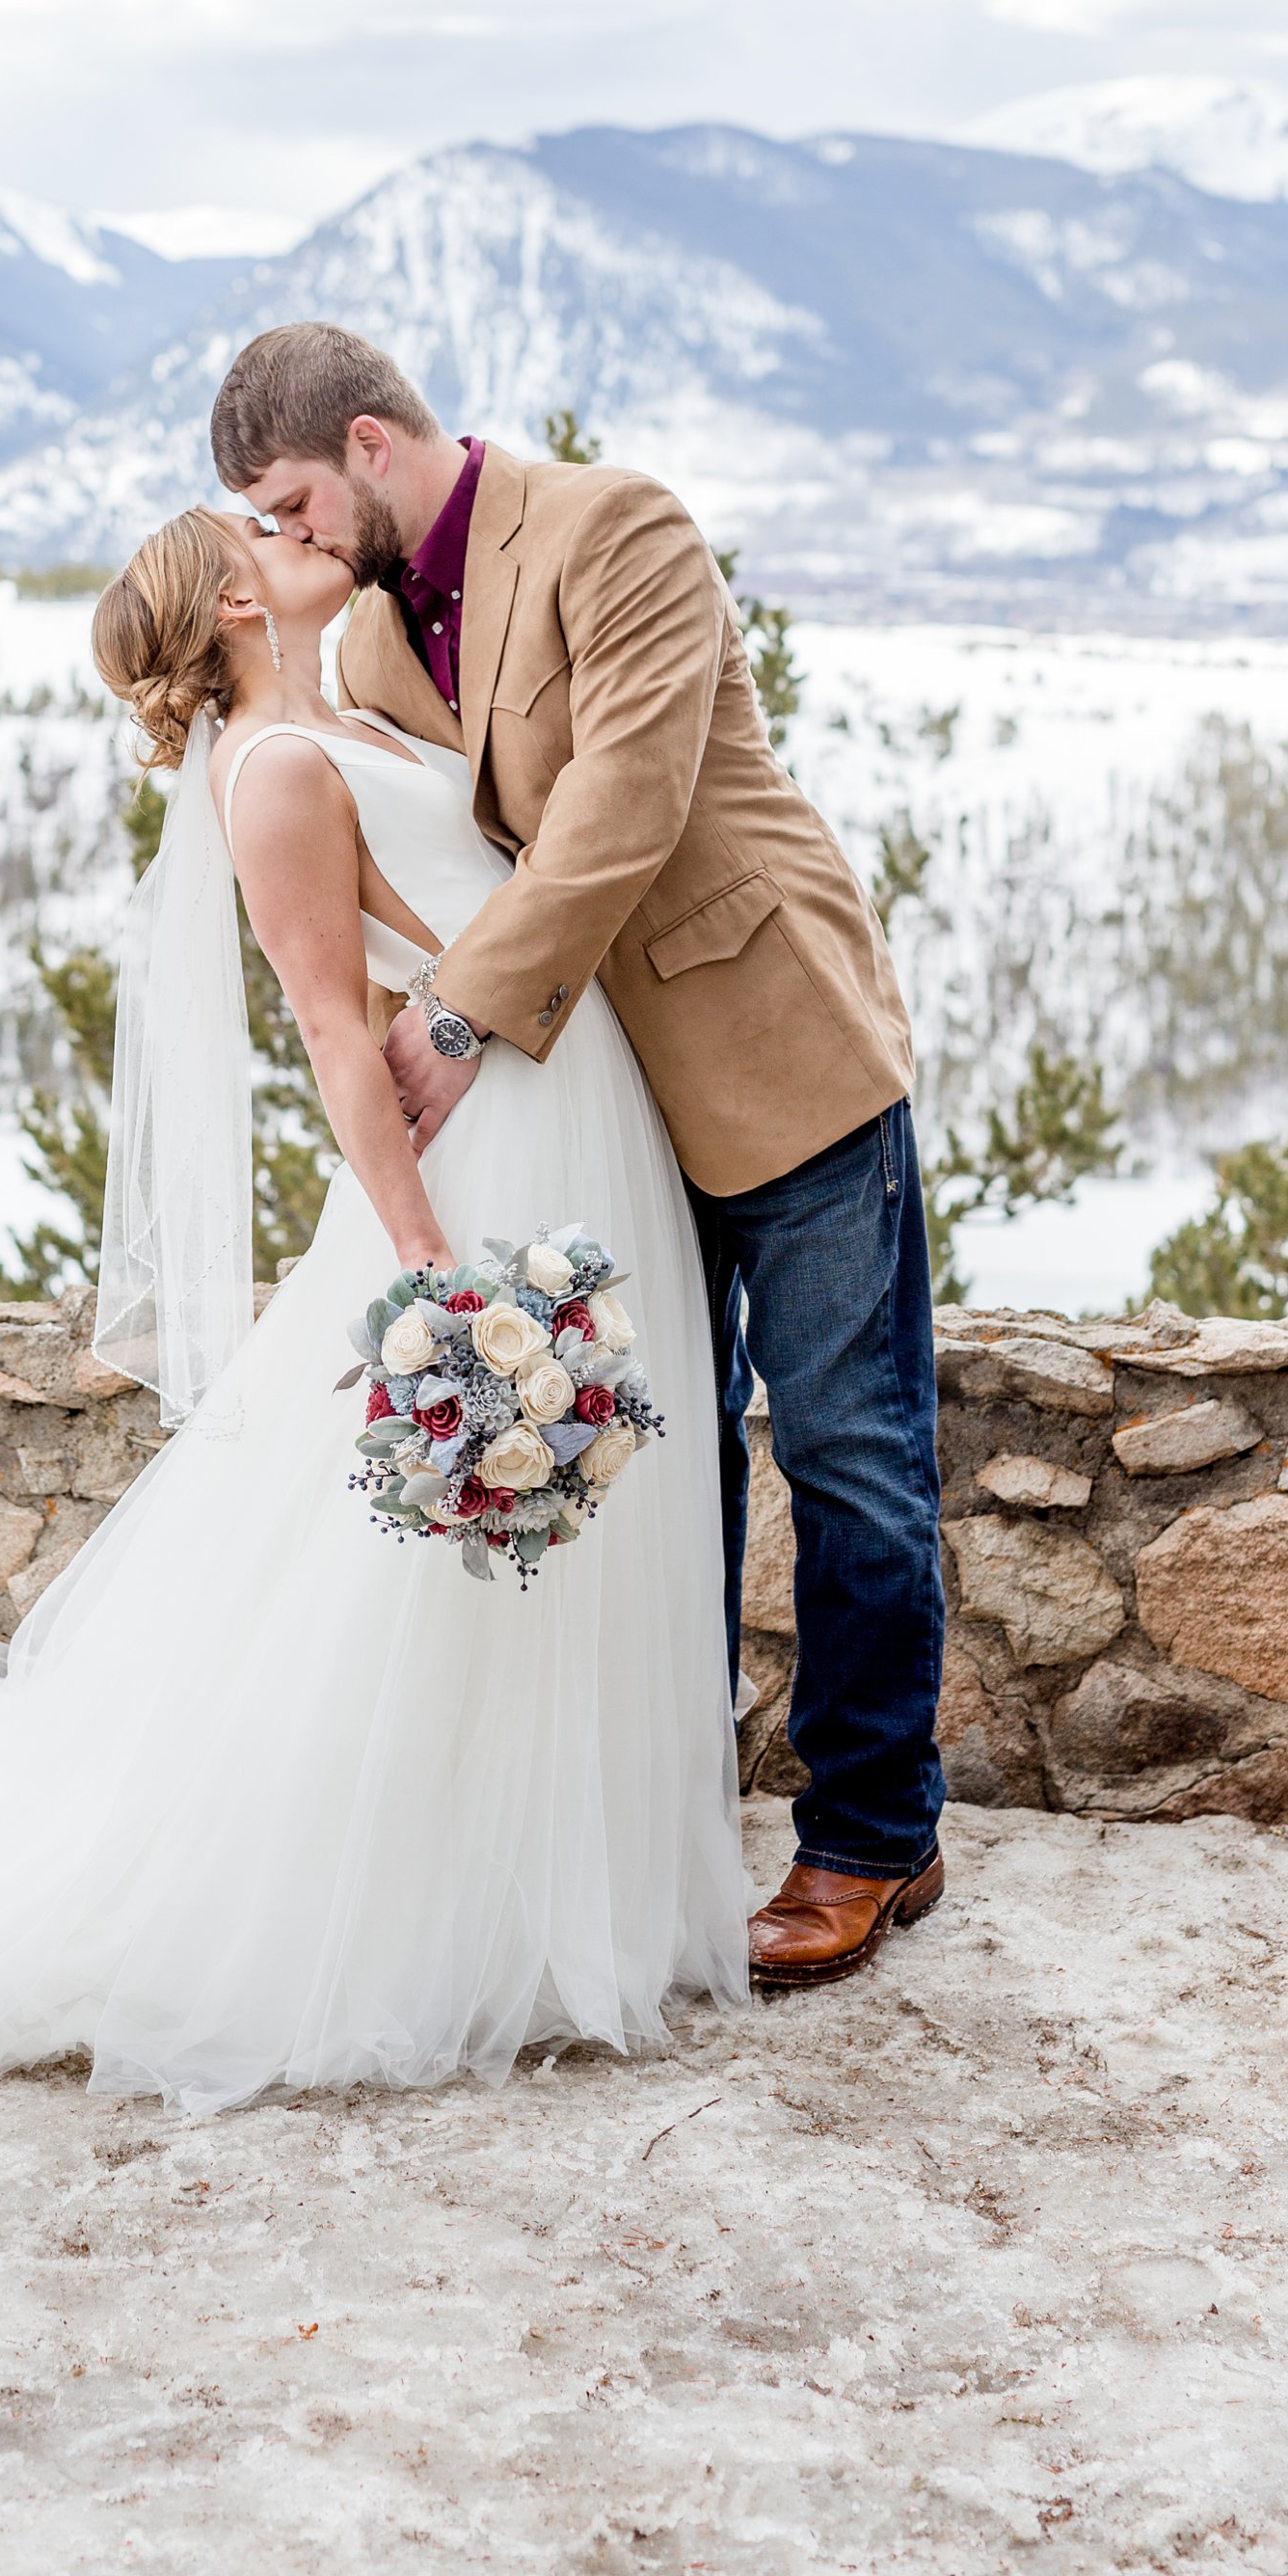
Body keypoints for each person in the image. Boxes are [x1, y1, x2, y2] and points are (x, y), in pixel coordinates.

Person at [0, 502, 753, 2110]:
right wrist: (437, 1275)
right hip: (474, 1182)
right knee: (431, 1577)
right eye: (256, 524)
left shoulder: (359, 707)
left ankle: (576, 1888)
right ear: (239, 596)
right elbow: (336, 1033)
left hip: (566, 1125)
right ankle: (453, 1915)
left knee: (548, 1557)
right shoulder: (272, 775)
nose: (292, 521)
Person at [211, 323, 946, 1991]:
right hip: (601, 1111)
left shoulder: (619, 528)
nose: (300, 538)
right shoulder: (381, 630)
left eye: (298, 499)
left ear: (377, 441)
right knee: (664, 1466)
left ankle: (876, 1832)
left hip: (775, 1055)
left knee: (851, 1453)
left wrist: (457, 1022)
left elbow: (621, 799)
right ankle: (676, 1819)